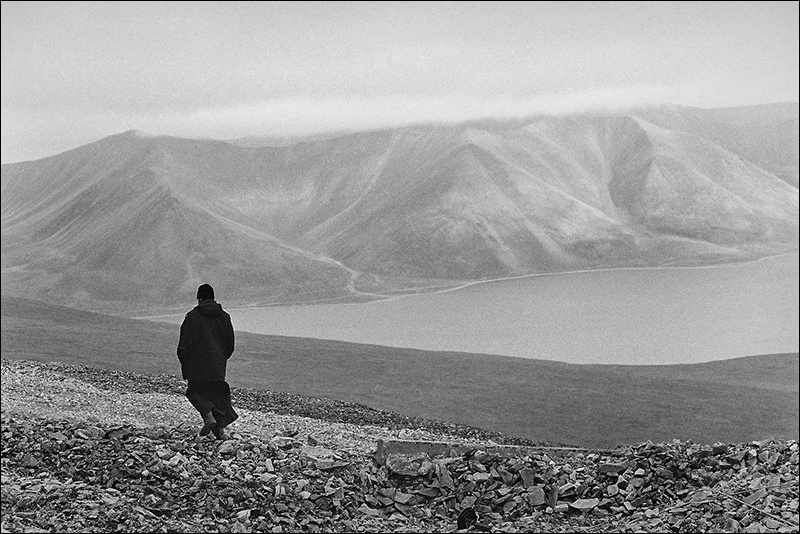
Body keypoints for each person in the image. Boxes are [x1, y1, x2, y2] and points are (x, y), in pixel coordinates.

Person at [177, 283, 237, 440]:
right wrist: (221, 358)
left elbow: (184, 346)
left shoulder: (192, 317)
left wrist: (185, 363)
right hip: (217, 365)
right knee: (216, 394)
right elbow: (230, 344)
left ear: (200, 299)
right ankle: (219, 429)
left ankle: (208, 418)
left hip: (197, 366)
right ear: (213, 298)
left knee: (194, 392)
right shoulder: (225, 317)